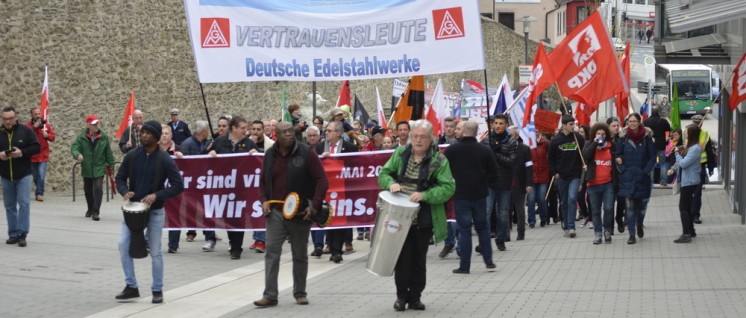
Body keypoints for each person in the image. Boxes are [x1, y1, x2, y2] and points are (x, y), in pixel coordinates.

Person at [378, 119, 455, 311]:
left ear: (430, 139)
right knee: (402, 259)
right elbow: (384, 174)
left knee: (419, 260)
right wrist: (390, 184)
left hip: (423, 218)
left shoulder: (439, 160)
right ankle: (401, 297)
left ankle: (416, 297)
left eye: (422, 137)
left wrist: (425, 195)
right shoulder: (400, 153)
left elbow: (448, 187)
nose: (418, 140)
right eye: (415, 137)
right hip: (399, 217)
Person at [253, 122, 328, 307]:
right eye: (284, 132)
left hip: (300, 212)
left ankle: (300, 293)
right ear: (276, 135)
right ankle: (270, 295)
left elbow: (322, 180)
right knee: (272, 253)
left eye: (290, 131)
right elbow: (263, 180)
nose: (289, 134)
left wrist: (315, 206)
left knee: (300, 254)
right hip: (276, 212)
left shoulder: (306, 152)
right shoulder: (270, 154)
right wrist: (263, 199)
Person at [114, 120, 184, 304]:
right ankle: (131, 286)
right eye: (142, 132)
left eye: (148, 133)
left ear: (156, 137)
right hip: (132, 210)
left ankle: (157, 289)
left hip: (155, 211)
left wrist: (157, 195)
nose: (143, 135)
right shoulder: (132, 155)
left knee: (155, 252)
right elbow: (120, 178)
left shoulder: (164, 159)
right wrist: (124, 191)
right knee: (123, 245)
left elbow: (178, 185)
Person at [445, 120, 497, 274]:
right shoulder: (485, 150)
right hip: (480, 194)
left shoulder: (452, 150)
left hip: (461, 194)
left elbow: (443, 170)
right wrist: (486, 183)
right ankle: (488, 261)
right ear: (476, 132)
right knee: (483, 228)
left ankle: (465, 266)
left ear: (463, 131)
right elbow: (494, 171)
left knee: (464, 230)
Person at [207, 116, 258, 258]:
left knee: (238, 217)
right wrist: (209, 154)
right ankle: (232, 242)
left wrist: (256, 153)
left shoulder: (249, 143)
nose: (245, 131)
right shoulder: (220, 142)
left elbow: (260, 161)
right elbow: (203, 158)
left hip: (242, 188)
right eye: (243, 128)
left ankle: (236, 248)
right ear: (234, 128)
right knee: (228, 217)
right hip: (224, 187)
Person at [316, 121, 357, 262]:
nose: (326, 133)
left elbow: (355, 167)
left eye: (329, 130)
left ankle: (337, 250)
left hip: (342, 190)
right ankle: (331, 246)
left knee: (339, 220)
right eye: (326, 130)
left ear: (338, 133)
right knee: (328, 218)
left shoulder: (350, 148)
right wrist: (322, 159)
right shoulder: (320, 147)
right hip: (326, 190)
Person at [1, 106, 40, 247]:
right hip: (6, 175)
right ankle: (13, 234)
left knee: (24, 203)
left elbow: (37, 147)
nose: (8, 121)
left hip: (24, 174)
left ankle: (22, 234)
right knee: (9, 205)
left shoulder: (26, 131)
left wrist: (21, 152)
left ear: (16, 117)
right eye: (5, 119)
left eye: (10, 118)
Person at [615, 113, 656, 244]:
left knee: (642, 206)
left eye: (634, 121)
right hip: (628, 177)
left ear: (639, 122)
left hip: (643, 177)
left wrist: (646, 171)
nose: (632, 123)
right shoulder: (623, 137)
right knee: (630, 207)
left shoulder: (646, 137)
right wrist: (622, 169)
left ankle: (640, 224)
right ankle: (631, 234)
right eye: (630, 121)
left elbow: (652, 157)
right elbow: (617, 155)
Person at [71, 115, 116, 221]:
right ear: (88, 125)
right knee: (87, 190)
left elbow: (108, 153)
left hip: (99, 167)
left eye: (97, 123)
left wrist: (112, 167)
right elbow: (74, 147)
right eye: (93, 124)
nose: (96, 126)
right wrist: (77, 154)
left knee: (97, 188)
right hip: (87, 167)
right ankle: (90, 208)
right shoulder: (81, 136)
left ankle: (96, 212)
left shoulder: (103, 136)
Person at [481, 114, 516, 251]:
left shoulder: (512, 142)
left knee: (502, 213)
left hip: (504, 182)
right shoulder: (486, 141)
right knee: (487, 212)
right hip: (489, 182)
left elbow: (511, 162)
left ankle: (501, 238)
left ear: (506, 125)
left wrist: (497, 154)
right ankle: (484, 240)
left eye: (501, 123)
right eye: (496, 123)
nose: (498, 126)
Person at [548, 115, 585, 238]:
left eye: (573, 124)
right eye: (570, 124)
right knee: (563, 202)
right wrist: (554, 173)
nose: (573, 126)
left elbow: (583, 155)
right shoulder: (555, 140)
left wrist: (584, 165)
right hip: (561, 176)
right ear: (563, 125)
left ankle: (571, 227)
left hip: (575, 175)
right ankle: (565, 223)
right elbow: (550, 159)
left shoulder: (578, 138)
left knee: (572, 198)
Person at [175, 120, 211, 243]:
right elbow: (186, 164)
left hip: (205, 180)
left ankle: (209, 231)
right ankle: (191, 232)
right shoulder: (187, 144)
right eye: (207, 130)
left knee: (206, 207)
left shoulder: (207, 143)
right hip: (192, 182)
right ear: (203, 131)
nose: (208, 132)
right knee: (192, 207)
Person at [583, 123, 615, 244]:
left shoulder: (611, 145)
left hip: (608, 183)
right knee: (595, 211)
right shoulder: (589, 144)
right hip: (593, 184)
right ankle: (598, 233)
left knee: (608, 208)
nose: (601, 135)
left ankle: (607, 230)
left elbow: (618, 157)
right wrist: (595, 142)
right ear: (594, 134)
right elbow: (585, 155)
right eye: (598, 133)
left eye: (603, 134)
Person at [669, 125, 702, 243]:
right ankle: (691, 231)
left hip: (690, 181)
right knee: (686, 207)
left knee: (683, 207)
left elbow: (684, 164)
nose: (685, 134)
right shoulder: (690, 146)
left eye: (687, 132)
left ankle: (686, 233)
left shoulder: (695, 148)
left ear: (692, 134)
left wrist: (677, 154)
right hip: (687, 181)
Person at [25, 107, 56, 202]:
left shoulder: (46, 125)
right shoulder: (27, 125)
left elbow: (53, 137)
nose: (38, 116)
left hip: (43, 154)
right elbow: (25, 135)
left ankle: (39, 193)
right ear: (32, 116)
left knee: (41, 175)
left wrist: (48, 136)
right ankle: (38, 191)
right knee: (35, 176)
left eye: (39, 114)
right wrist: (34, 127)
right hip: (33, 155)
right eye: (35, 114)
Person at [509, 126, 533, 241]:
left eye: (511, 136)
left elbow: (529, 167)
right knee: (505, 209)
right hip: (505, 183)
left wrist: (529, 183)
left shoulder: (524, 149)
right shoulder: (503, 148)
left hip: (520, 182)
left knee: (519, 209)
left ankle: (521, 232)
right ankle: (505, 233)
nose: (509, 139)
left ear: (517, 136)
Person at [644, 106, 672, 186]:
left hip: (650, 146)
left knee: (651, 163)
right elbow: (669, 131)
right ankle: (663, 181)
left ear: (652, 112)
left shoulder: (646, 122)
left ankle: (651, 181)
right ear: (659, 112)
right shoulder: (663, 121)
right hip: (661, 145)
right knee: (663, 162)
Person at [607, 117, 626, 233]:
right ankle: (610, 226)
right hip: (608, 173)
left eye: (617, 125)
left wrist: (622, 158)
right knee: (609, 202)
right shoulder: (604, 139)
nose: (616, 127)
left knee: (621, 199)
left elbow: (627, 153)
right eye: (613, 125)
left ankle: (619, 217)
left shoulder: (622, 139)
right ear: (608, 126)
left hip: (620, 173)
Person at [528, 130, 550, 227]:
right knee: (531, 199)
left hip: (543, 175)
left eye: (536, 131)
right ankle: (531, 221)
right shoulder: (527, 143)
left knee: (541, 198)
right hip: (531, 176)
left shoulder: (546, 143)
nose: (534, 133)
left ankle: (544, 218)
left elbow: (551, 156)